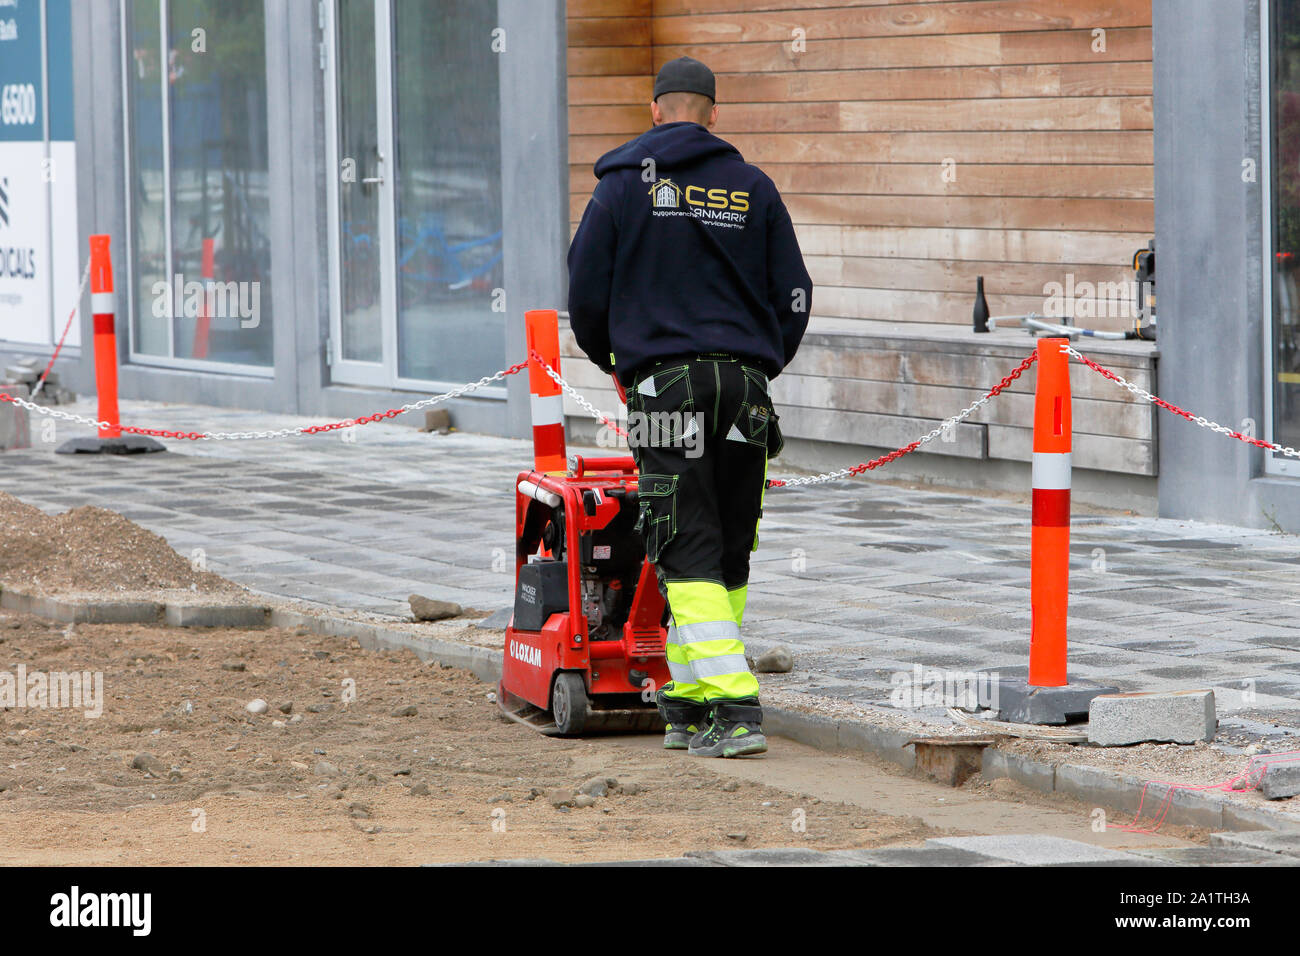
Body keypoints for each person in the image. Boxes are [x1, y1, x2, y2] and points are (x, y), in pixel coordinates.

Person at [567, 56, 812, 758]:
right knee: (729, 541)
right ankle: (690, 700)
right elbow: (794, 292)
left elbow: (585, 293)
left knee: (684, 541)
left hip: (662, 387)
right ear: (713, 112)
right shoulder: (753, 187)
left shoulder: (620, 188)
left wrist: (614, 360)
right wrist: (764, 362)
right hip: (745, 389)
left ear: (655, 111)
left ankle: (733, 708)